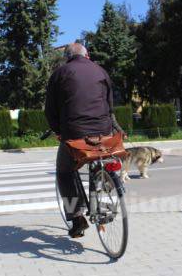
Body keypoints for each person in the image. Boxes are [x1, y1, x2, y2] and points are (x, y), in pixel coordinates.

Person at [45, 43, 123, 238]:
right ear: (86, 55)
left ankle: (77, 216)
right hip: (104, 134)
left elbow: (50, 109)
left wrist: (58, 131)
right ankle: (103, 179)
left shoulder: (60, 74)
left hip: (75, 134)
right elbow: (109, 104)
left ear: (68, 58)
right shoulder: (101, 71)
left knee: (64, 172)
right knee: (100, 158)